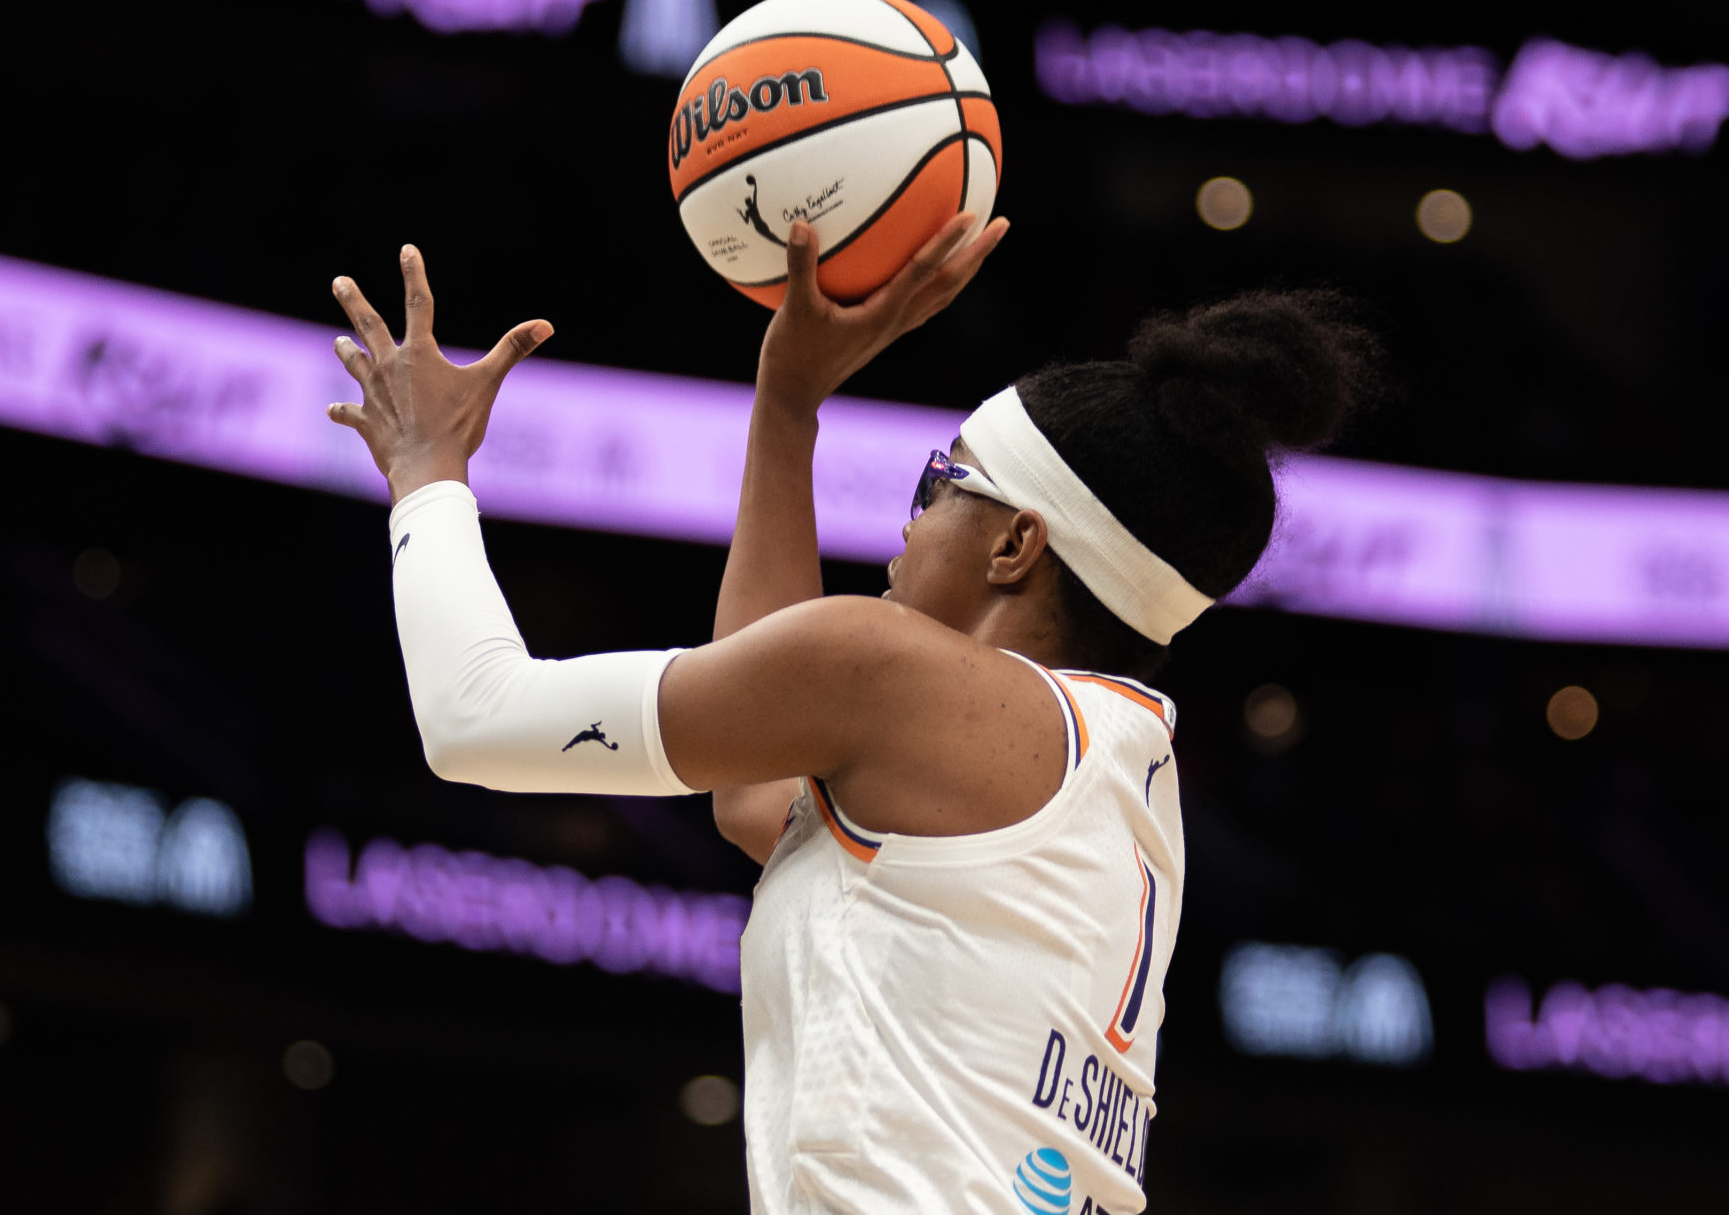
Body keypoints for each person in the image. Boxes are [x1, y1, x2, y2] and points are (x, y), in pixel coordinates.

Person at [326, 216, 1376, 1215]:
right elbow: (752, 792)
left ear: (1015, 543)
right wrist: (786, 408)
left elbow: (475, 717)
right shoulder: (1115, 754)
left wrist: (426, 472)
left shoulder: (902, 677)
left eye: (940, 481)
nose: (909, 523)